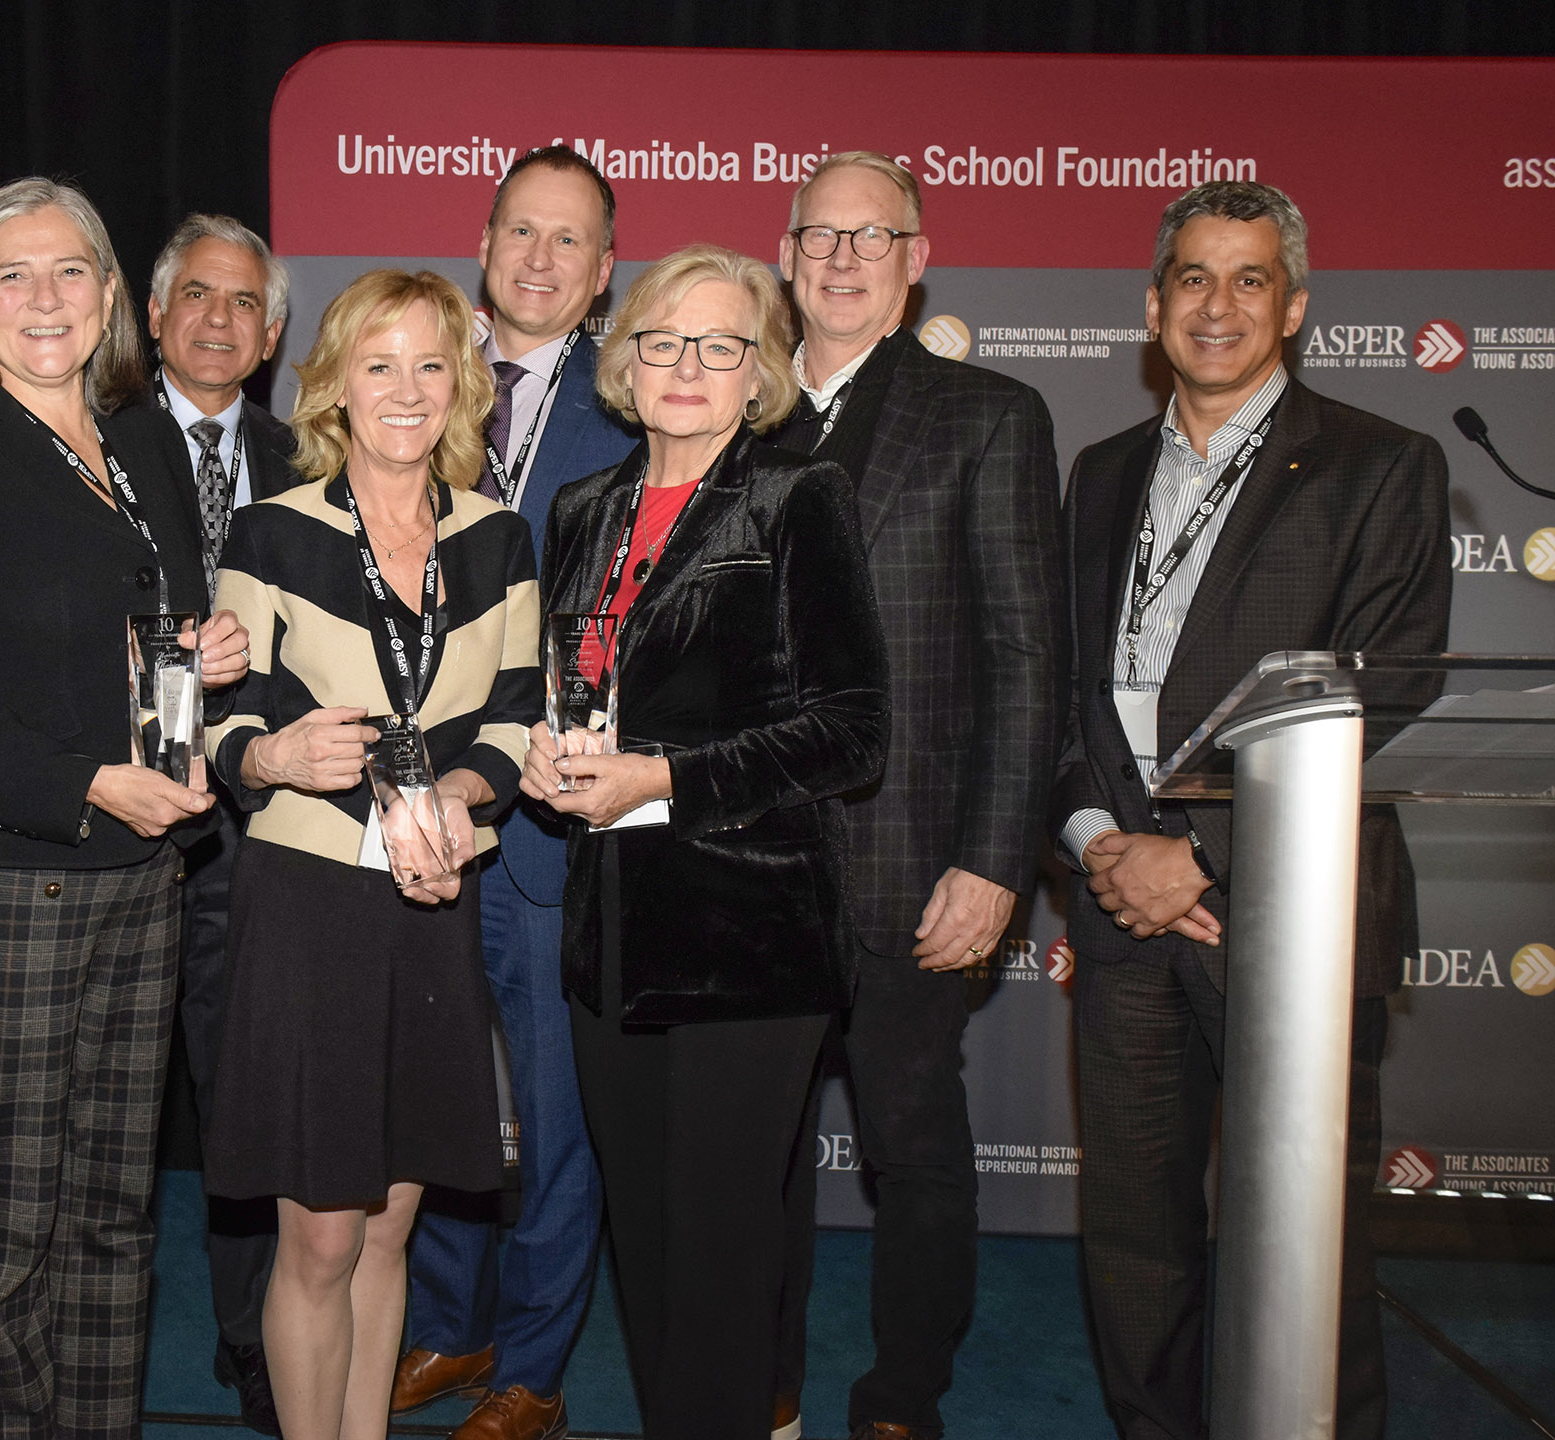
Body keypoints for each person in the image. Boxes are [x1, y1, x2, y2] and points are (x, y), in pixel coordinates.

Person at [0, 177, 250, 1439]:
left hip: (144, 877)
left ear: (111, 295)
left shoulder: (141, 445)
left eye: (70, 269)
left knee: (111, 1225)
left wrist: (203, 654)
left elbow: (134, 647)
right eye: (11, 274)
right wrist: (85, 782)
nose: (44, 297)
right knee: (6, 1240)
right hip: (3, 888)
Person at [1056, 180, 1450, 1440]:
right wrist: (1102, 845)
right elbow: (1062, 687)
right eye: (1193, 278)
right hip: (1120, 908)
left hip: (1291, 914)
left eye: (1249, 280)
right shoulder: (1102, 473)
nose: (1217, 306)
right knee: (1133, 1234)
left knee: (1308, 1244)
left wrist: (1199, 851)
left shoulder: (1382, 465)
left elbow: (1385, 683)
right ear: (1152, 306)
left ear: (1293, 308)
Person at [521, 244, 889, 1440]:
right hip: (612, 932)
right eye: (665, 341)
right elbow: (574, 691)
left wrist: (665, 778)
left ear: (759, 372)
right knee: (648, 1243)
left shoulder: (796, 498)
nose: (688, 365)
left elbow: (851, 732)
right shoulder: (581, 511)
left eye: (721, 344)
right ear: (625, 361)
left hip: (750, 936)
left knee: (721, 1256)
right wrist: (545, 756)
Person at [201, 268, 541, 1440]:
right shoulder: (273, 531)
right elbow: (222, 721)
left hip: (434, 897)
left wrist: (453, 799)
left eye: (430, 364)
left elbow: (515, 717)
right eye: (378, 363)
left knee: (392, 1225)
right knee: (323, 1234)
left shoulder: (499, 538)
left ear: (463, 388)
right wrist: (273, 755)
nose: (405, 388)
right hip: (310, 909)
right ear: (336, 384)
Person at [767, 151, 1067, 1440]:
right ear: (786, 255)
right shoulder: (729, 409)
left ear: (916, 258)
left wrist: (994, 861)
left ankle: (904, 1395)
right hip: (746, 868)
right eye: (820, 235)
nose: (842, 258)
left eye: (870, 236)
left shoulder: (987, 415)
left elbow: (1026, 658)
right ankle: (761, 1379)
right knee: (755, 1152)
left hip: (912, 863)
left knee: (913, 1141)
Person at [395, 144, 638, 1440]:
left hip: (545, 826)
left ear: (603, 274)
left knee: (555, 1118)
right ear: (484, 246)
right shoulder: (414, 376)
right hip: (418, 805)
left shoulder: (635, 404)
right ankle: (451, 1325)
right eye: (520, 232)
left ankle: (533, 1368)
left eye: (569, 239)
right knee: (434, 1093)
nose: (539, 259)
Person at [110, 212, 303, 1435]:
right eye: (198, 296)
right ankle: (93, 1351)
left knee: (245, 1100)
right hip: (120, 827)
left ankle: (253, 1341)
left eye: (244, 303)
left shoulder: (306, 457)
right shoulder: (90, 445)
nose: (220, 320)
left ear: (273, 332)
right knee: (115, 1113)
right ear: (154, 314)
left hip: (270, 829)